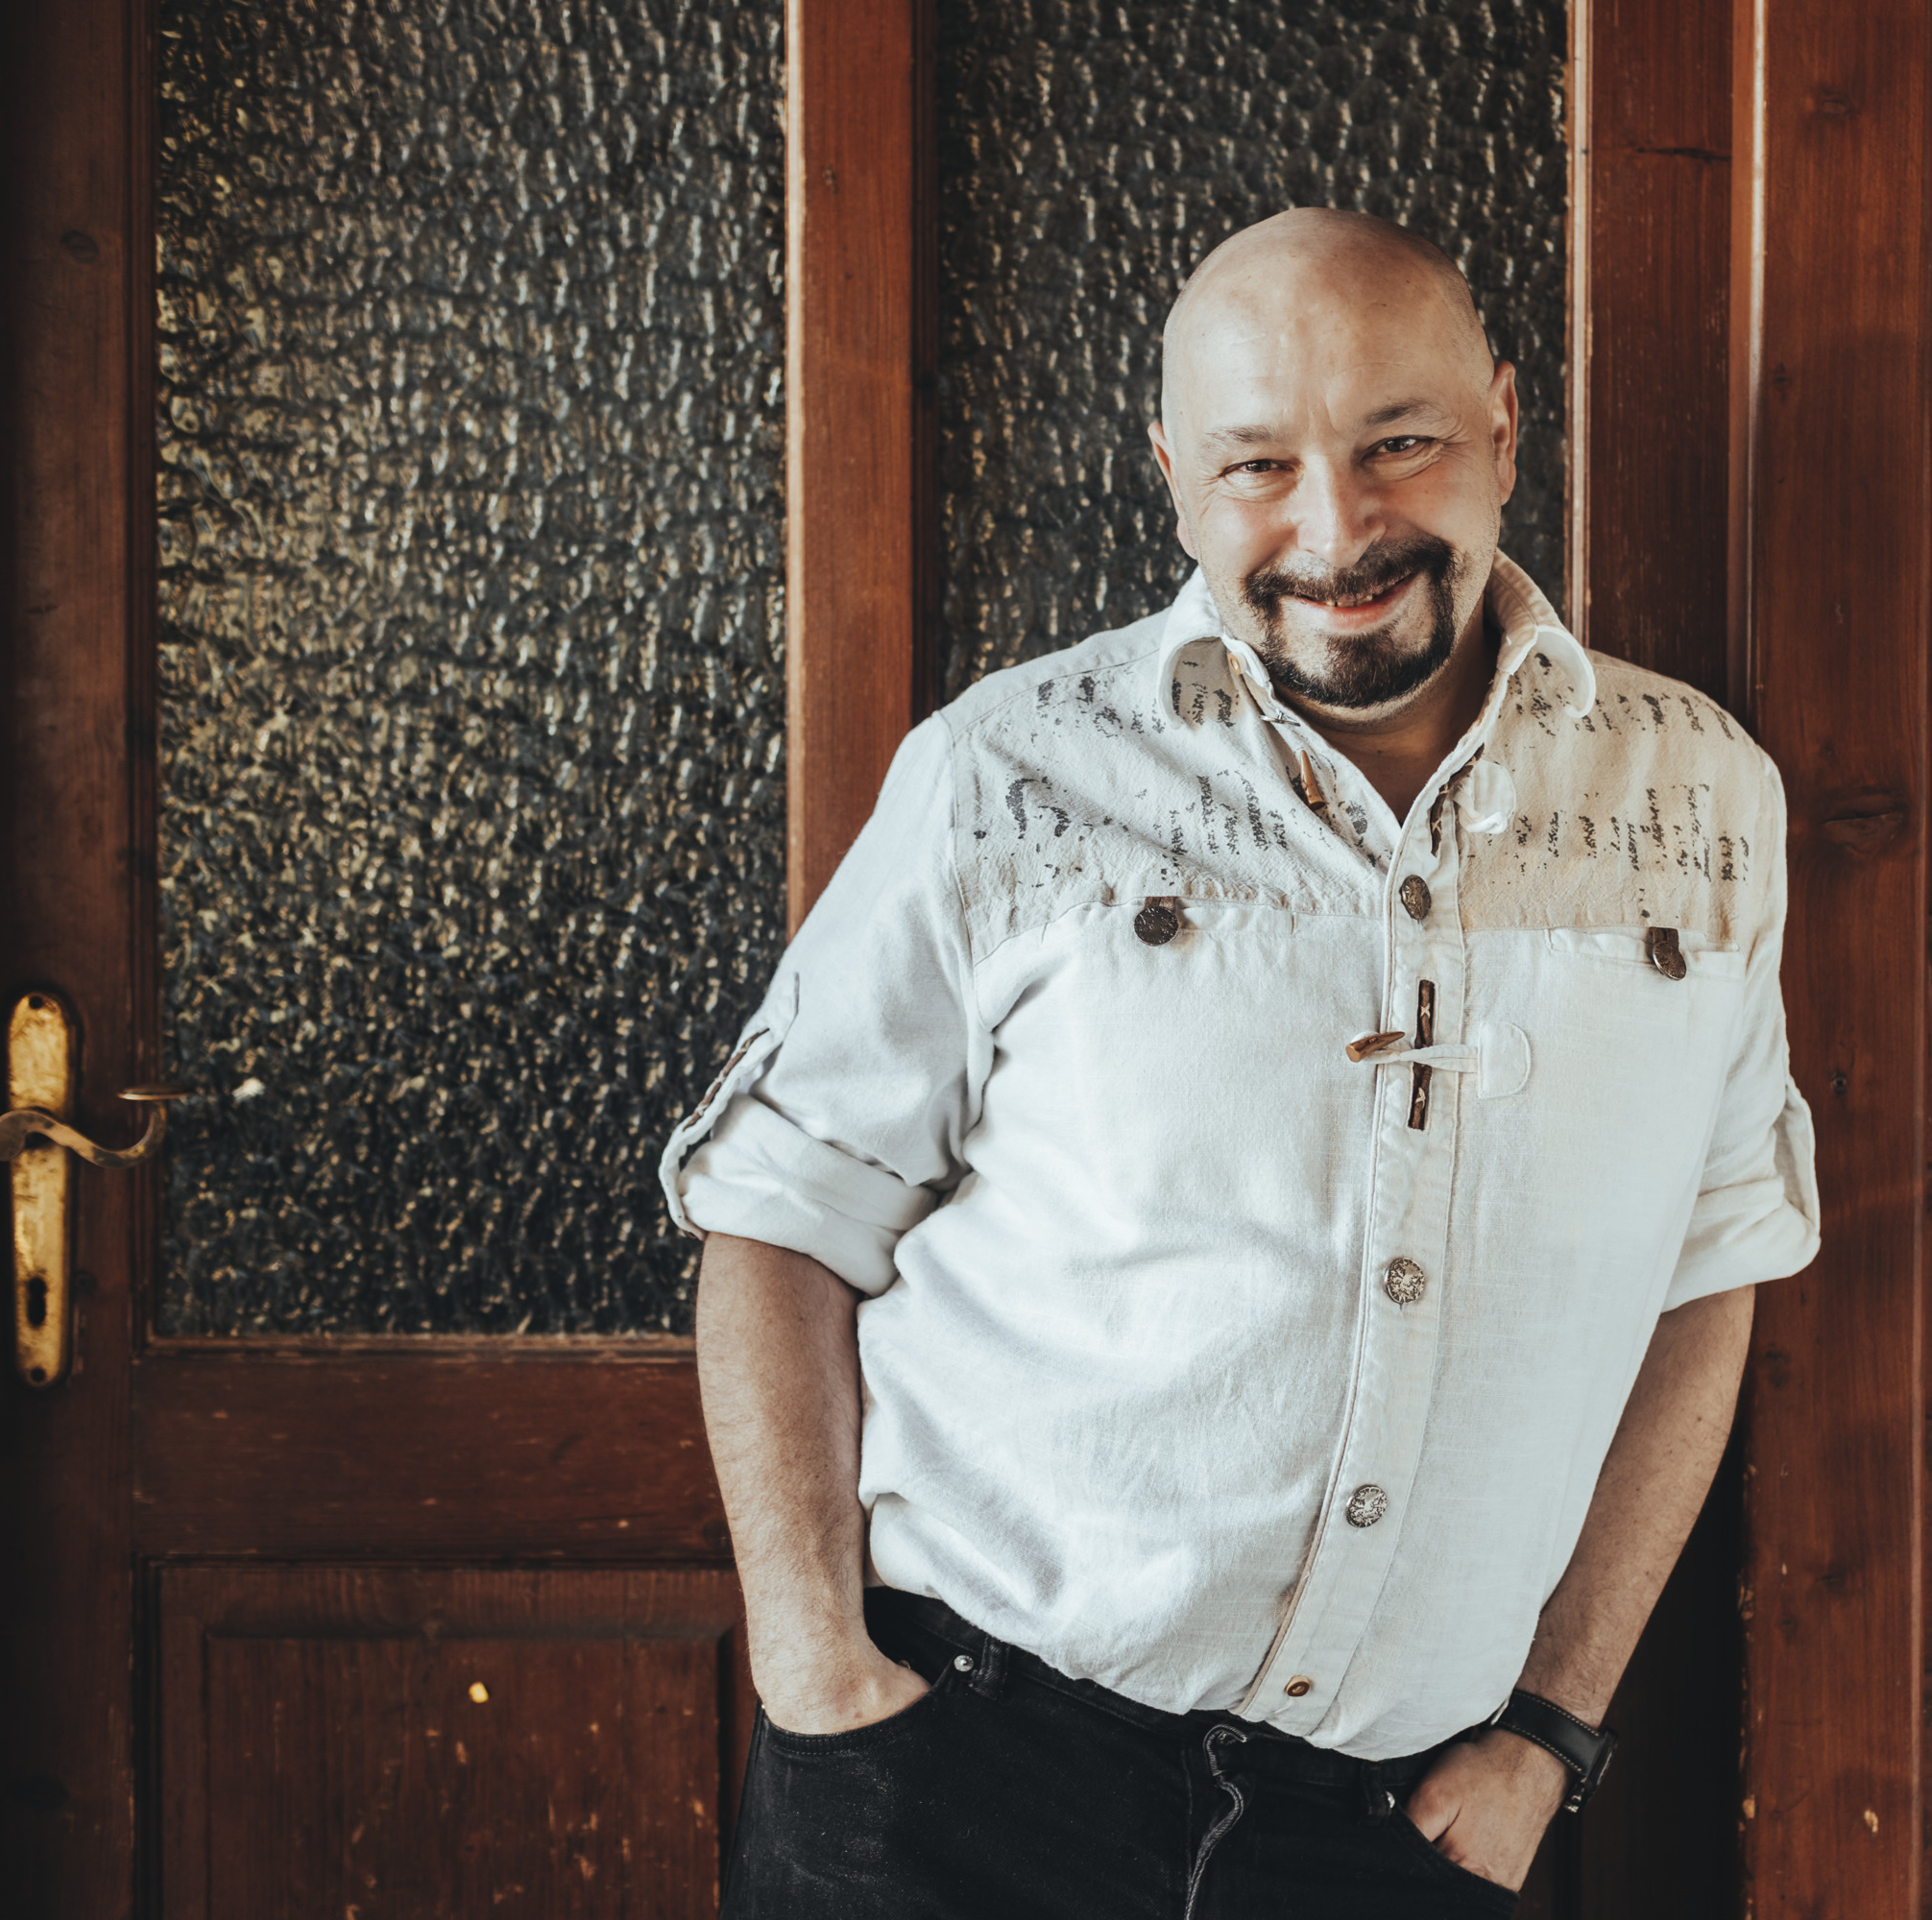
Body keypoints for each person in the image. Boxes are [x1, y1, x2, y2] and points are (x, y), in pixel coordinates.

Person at [669, 206, 1819, 1918]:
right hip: (954, 1787)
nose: (1336, 530)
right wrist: (818, 1678)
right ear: (1173, 476)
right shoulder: (1008, 773)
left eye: (1400, 443)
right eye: (1258, 465)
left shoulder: (1701, 802)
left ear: (1506, 422)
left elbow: (1710, 1268)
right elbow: (780, 1217)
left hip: (1394, 1834)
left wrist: (1551, 1731)